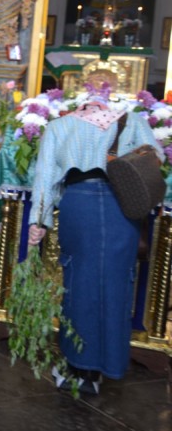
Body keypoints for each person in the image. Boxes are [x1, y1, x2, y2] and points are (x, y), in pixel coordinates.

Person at [28, 86, 162, 394]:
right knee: (117, 283)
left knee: (79, 282)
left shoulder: (61, 126)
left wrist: (39, 220)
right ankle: (105, 367)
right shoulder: (132, 121)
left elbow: (45, 178)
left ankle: (78, 367)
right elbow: (155, 164)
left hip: (80, 205)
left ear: (81, 103)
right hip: (122, 209)